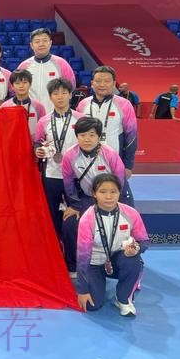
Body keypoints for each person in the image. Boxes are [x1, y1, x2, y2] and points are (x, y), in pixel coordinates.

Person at [60, 117, 126, 278]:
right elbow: (68, 183)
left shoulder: (110, 154)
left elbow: (120, 181)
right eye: (82, 135)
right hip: (87, 198)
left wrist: (111, 202)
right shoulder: (70, 156)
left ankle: (120, 264)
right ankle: (73, 266)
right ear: (77, 136)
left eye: (91, 135)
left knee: (124, 225)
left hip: (113, 197)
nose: (87, 139)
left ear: (98, 136)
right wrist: (74, 205)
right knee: (69, 223)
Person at [76, 173, 149, 317]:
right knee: (92, 305)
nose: (108, 197)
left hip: (119, 259)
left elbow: (144, 241)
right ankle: (98, 282)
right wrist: (82, 290)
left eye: (113, 192)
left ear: (119, 193)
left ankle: (122, 298)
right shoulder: (87, 219)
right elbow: (82, 257)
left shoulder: (130, 213)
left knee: (133, 261)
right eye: (103, 192)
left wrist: (136, 249)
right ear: (94, 194)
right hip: (95, 263)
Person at [77, 66, 137, 206]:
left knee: (123, 205)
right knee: (91, 202)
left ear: (114, 83)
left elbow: (131, 137)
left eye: (107, 81)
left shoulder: (124, 104)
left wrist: (128, 165)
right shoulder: (83, 104)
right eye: (98, 81)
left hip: (114, 165)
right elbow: (78, 134)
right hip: (88, 163)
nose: (102, 84)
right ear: (92, 83)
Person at [34, 78, 85, 237]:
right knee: (52, 213)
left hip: (75, 174)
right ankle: (56, 244)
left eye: (64, 93)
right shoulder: (44, 121)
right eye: (56, 93)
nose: (60, 97)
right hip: (51, 174)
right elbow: (38, 143)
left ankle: (73, 243)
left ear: (70, 95)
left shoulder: (81, 119)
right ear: (50, 97)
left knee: (75, 213)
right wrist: (38, 151)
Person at [18, 28, 76, 113]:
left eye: (45, 40)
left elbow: (71, 87)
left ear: (50, 43)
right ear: (31, 45)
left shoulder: (61, 64)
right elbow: (16, 90)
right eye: (37, 41)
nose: (41, 44)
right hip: (30, 113)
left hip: (55, 113)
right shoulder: (24, 66)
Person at [2, 69, 46, 137]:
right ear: (12, 86)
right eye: (17, 83)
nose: (21, 86)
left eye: (25, 82)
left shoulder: (39, 107)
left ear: (30, 84)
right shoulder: (5, 107)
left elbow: (43, 129)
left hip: (32, 143)